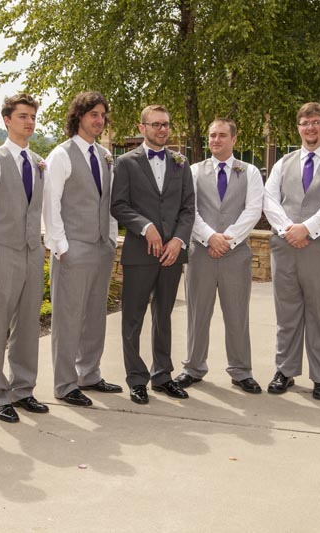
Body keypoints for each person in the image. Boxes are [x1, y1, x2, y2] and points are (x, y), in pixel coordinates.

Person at [263, 102, 320, 400]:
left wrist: (307, 228)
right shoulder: (284, 162)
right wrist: (288, 229)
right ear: (298, 128)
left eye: (316, 122)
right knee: (287, 312)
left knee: (319, 313)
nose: (310, 128)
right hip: (285, 245)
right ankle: (285, 371)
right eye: (305, 123)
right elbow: (269, 199)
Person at [110, 104, 195, 405]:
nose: (162, 129)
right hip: (140, 253)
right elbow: (118, 205)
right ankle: (136, 379)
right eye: (156, 124)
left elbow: (188, 208)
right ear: (142, 127)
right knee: (133, 319)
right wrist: (145, 227)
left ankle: (163, 376)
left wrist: (179, 241)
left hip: (172, 255)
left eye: (166, 124)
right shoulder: (126, 163)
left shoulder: (181, 162)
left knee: (164, 316)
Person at [0, 93, 49, 423]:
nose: (29, 122)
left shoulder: (39, 163)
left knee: (29, 323)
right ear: (6, 120)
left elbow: (41, 209)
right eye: (22, 116)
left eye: (32, 116)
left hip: (33, 251)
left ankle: (23, 389)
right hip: (2, 250)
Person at [43, 91, 123, 407]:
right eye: (94, 114)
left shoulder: (104, 155)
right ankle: (65, 384)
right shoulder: (61, 155)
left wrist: (111, 239)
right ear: (79, 116)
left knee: (95, 316)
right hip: (72, 249)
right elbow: (50, 204)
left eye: (102, 115)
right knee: (68, 319)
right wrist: (61, 247)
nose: (99, 120)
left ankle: (89, 374)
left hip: (101, 247)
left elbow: (109, 203)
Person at [174, 118, 264, 394]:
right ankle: (193, 367)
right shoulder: (193, 171)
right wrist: (210, 237)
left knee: (237, 314)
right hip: (200, 253)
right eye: (212, 135)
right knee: (197, 313)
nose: (216, 140)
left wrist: (228, 239)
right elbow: (189, 209)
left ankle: (241, 370)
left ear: (234, 139)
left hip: (236, 255)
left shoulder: (249, 172)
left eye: (222, 135)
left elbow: (253, 210)